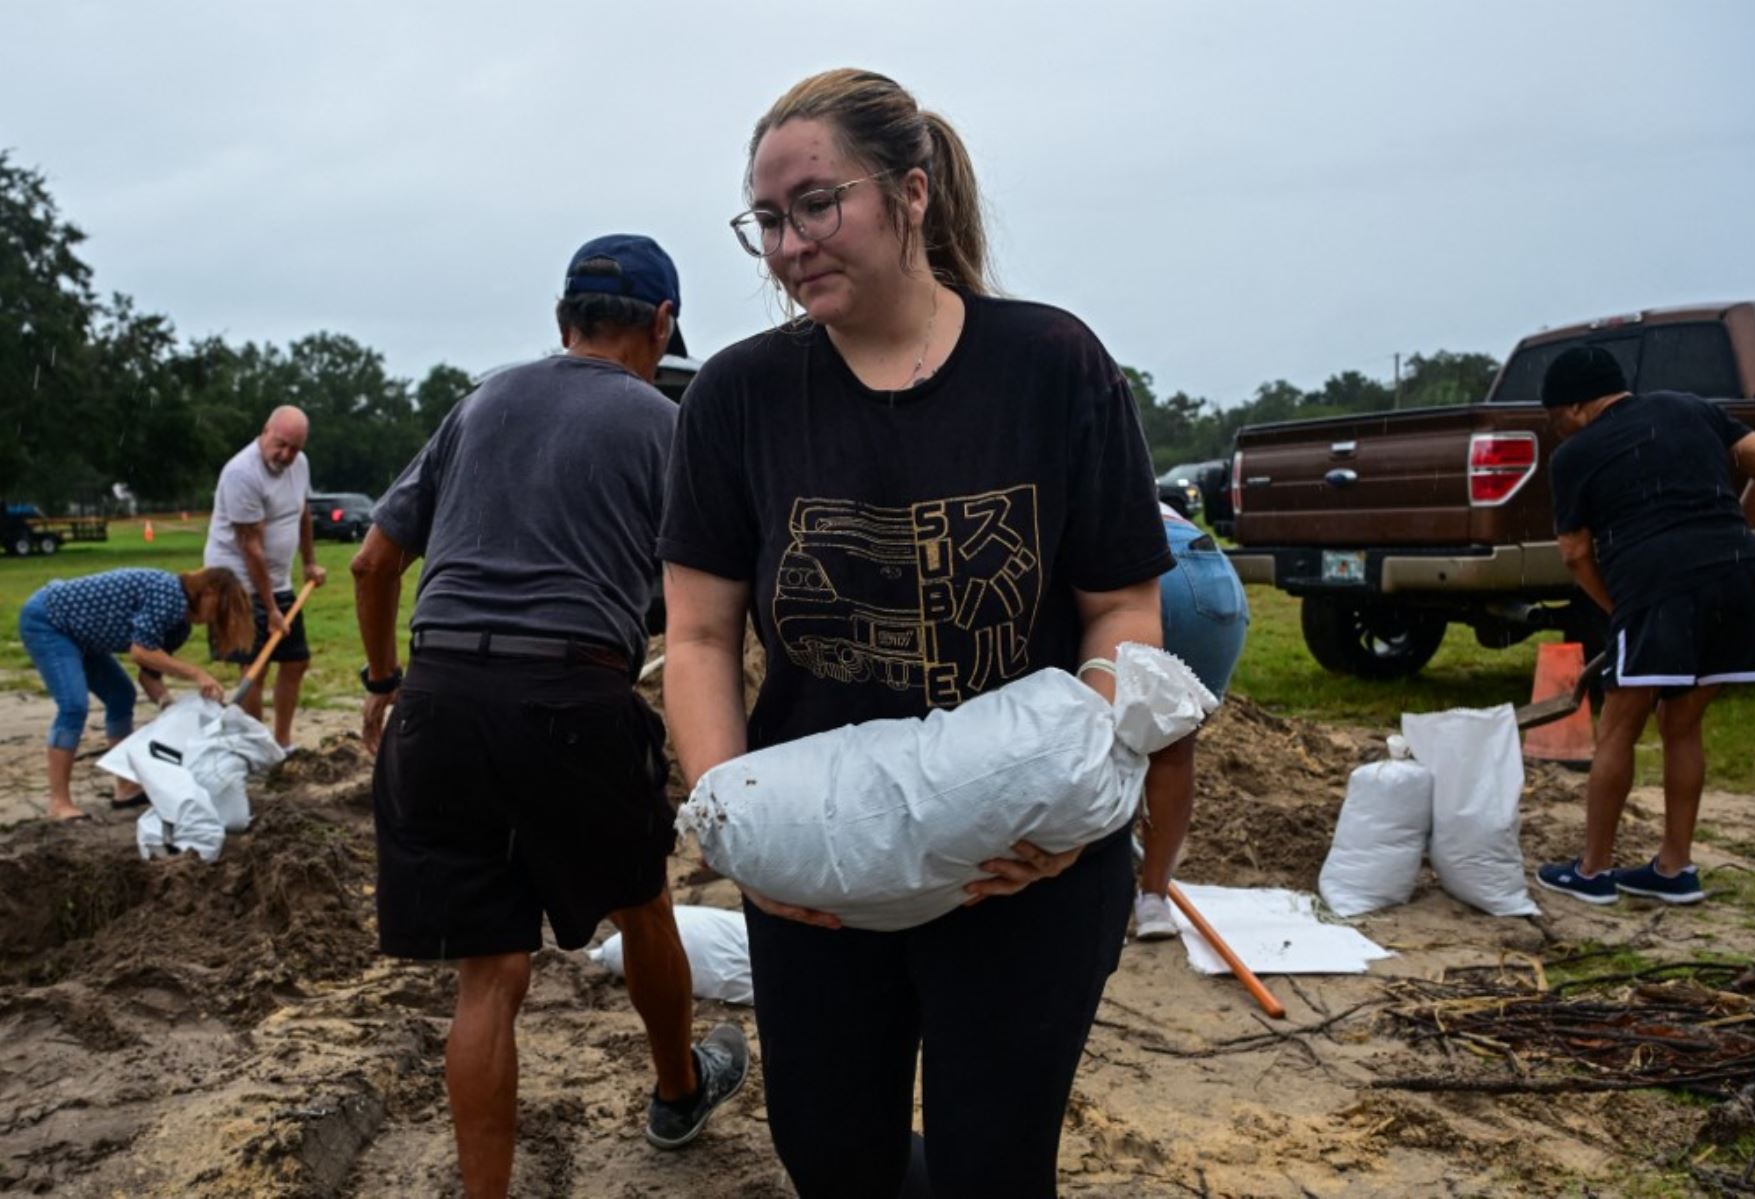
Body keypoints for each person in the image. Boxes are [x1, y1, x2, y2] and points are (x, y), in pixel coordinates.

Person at [658, 69, 1180, 1195]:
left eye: (816, 204)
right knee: (832, 1155)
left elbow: (1121, 608)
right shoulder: (738, 397)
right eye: (767, 220)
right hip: (824, 869)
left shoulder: (1050, 364)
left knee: (994, 1165)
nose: (790, 244)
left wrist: (1067, 804)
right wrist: (735, 823)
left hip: (1021, 873)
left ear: (910, 193)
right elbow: (698, 637)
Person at [351, 234, 746, 1199]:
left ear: (562, 317)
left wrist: (381, 682)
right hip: (573, 694)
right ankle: (676, 1089)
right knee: (642, 904)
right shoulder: (663, 423)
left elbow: (371, 564)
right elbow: (695, 594)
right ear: (660, 325)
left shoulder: (480, 399)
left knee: (489, 976)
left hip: (438, 701)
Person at [1533, 345, 1755, 906]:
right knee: (1682, 724)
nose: (1558, 432)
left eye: (1555, 420)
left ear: (1576, 407)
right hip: (1739, 580)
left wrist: (1615, 607)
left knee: (1620, 725)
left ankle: (1593, 871)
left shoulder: (1575, 454)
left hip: (1657, 586)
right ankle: (1675, 869)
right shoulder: (1689, 407)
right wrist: (1732, 532)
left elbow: (1575, 553)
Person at [17, 566, 251, 822]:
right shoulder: (170, 594)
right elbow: (141, 651)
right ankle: (59, 802)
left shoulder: (180, 626)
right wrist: (197, 674)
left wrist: (169, 707)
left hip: (85, 634)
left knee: (121, 695)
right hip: (50, 620)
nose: (213, 619)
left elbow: (148, 675)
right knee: (73, 705)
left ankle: (126, 787)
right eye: (219, 609)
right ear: (207, 592)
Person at [1134, 501, 1251, 939]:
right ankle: (1152, 901)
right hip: (1212, 574)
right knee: (1173, 752)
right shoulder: (1133, 477)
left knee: (1096, 738)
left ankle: (1087, 887)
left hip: (1139, 567)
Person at [203, 405, 326, 748]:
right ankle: (258, 746)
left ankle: (282, 742)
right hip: (236, 583)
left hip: (278, 579)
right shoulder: (241, 473)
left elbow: (302, 514)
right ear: (264, 431)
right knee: (253, 666)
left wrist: (309, 564)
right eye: (281, 444)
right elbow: (251, 547)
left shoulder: (299, 466)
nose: (286, 455)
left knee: (296, 660)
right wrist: (271, 609)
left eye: (295, 448)